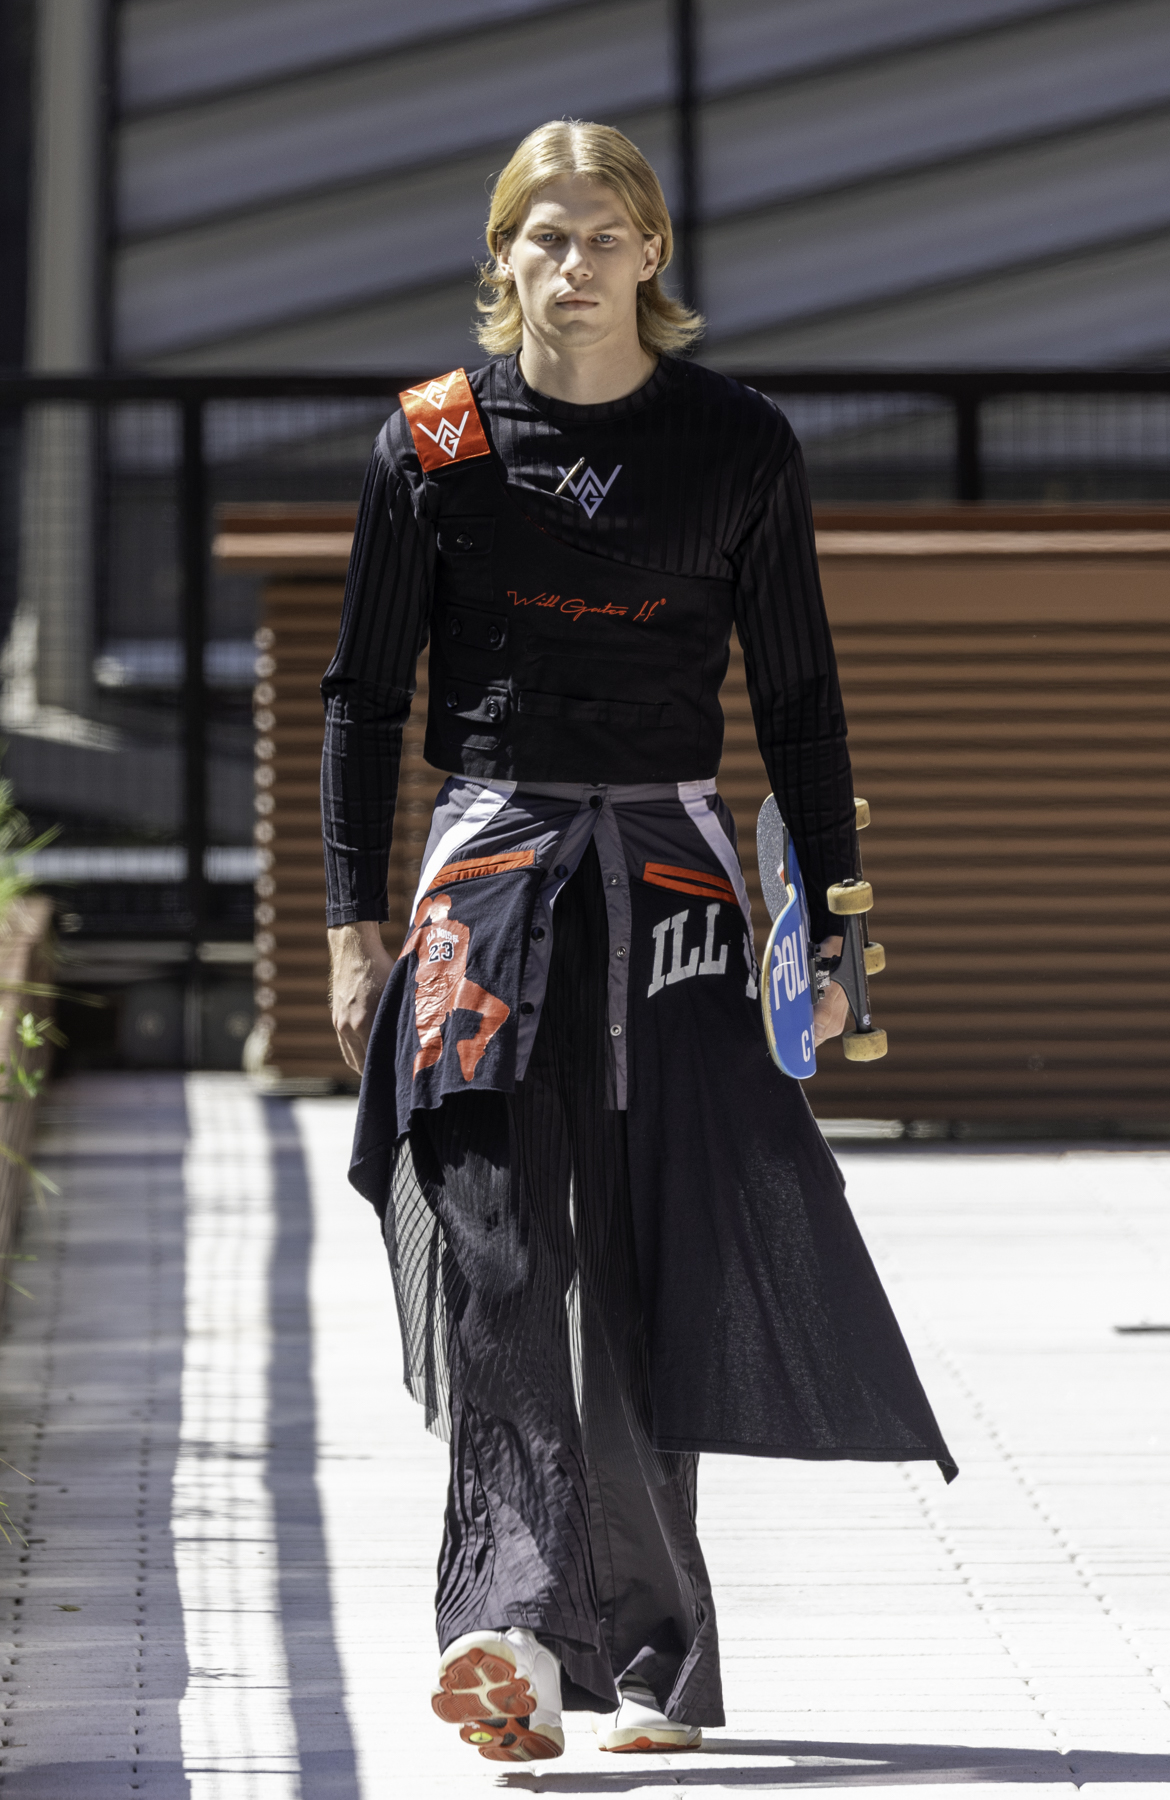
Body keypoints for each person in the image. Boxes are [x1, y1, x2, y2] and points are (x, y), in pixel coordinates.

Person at [321, 119, 955, 1766]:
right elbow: (363, 701)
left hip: (670, 886)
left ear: (651, 255)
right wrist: (346, 924)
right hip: (483, 881)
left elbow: (802, 700)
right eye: (542, 237)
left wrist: (834, 930)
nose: (572, 266)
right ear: (499, 255)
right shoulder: (432, 442)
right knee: (499, 1254)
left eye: (602, 237)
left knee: (647, 1270)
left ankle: (657, 1663)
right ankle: (514, 1635)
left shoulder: (735, 444)